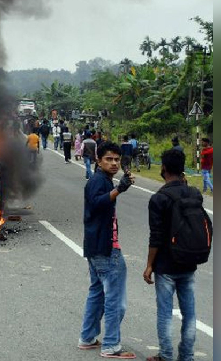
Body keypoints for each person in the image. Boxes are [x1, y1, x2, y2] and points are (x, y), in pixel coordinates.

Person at [78, 142, 136, 358]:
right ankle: (111, 345)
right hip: (105, 248)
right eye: (108, 159)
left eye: (116, 159)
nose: (114, 163)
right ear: (98, 161)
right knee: (115, 300)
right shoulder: (97, 181)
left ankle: (88, 337)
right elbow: (96, 203)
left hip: (96, 248)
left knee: (97, 294)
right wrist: (119, 189)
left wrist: (120, 188)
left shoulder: (104, 180)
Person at [143, 149, 200, 361]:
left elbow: (155, 236)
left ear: (163, 168)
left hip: (166, 266)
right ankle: (187, 356)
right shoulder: (194, 193)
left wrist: (149, 265)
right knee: (190, 314)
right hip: (189, 262)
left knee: (165, 313)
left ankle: (166, 355)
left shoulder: (159, 198)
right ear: (183, 168)